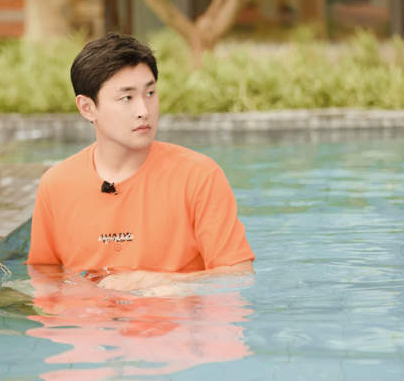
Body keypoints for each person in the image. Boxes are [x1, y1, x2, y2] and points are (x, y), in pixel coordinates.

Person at [26, 32, 254, 292]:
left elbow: (239, 276)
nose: (144, 111)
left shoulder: (199, 176)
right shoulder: (56, 185)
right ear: (87, 108)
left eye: (150, 93)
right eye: (127, 98)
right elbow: (44, 280)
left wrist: (160, 282)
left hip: (177, 316)